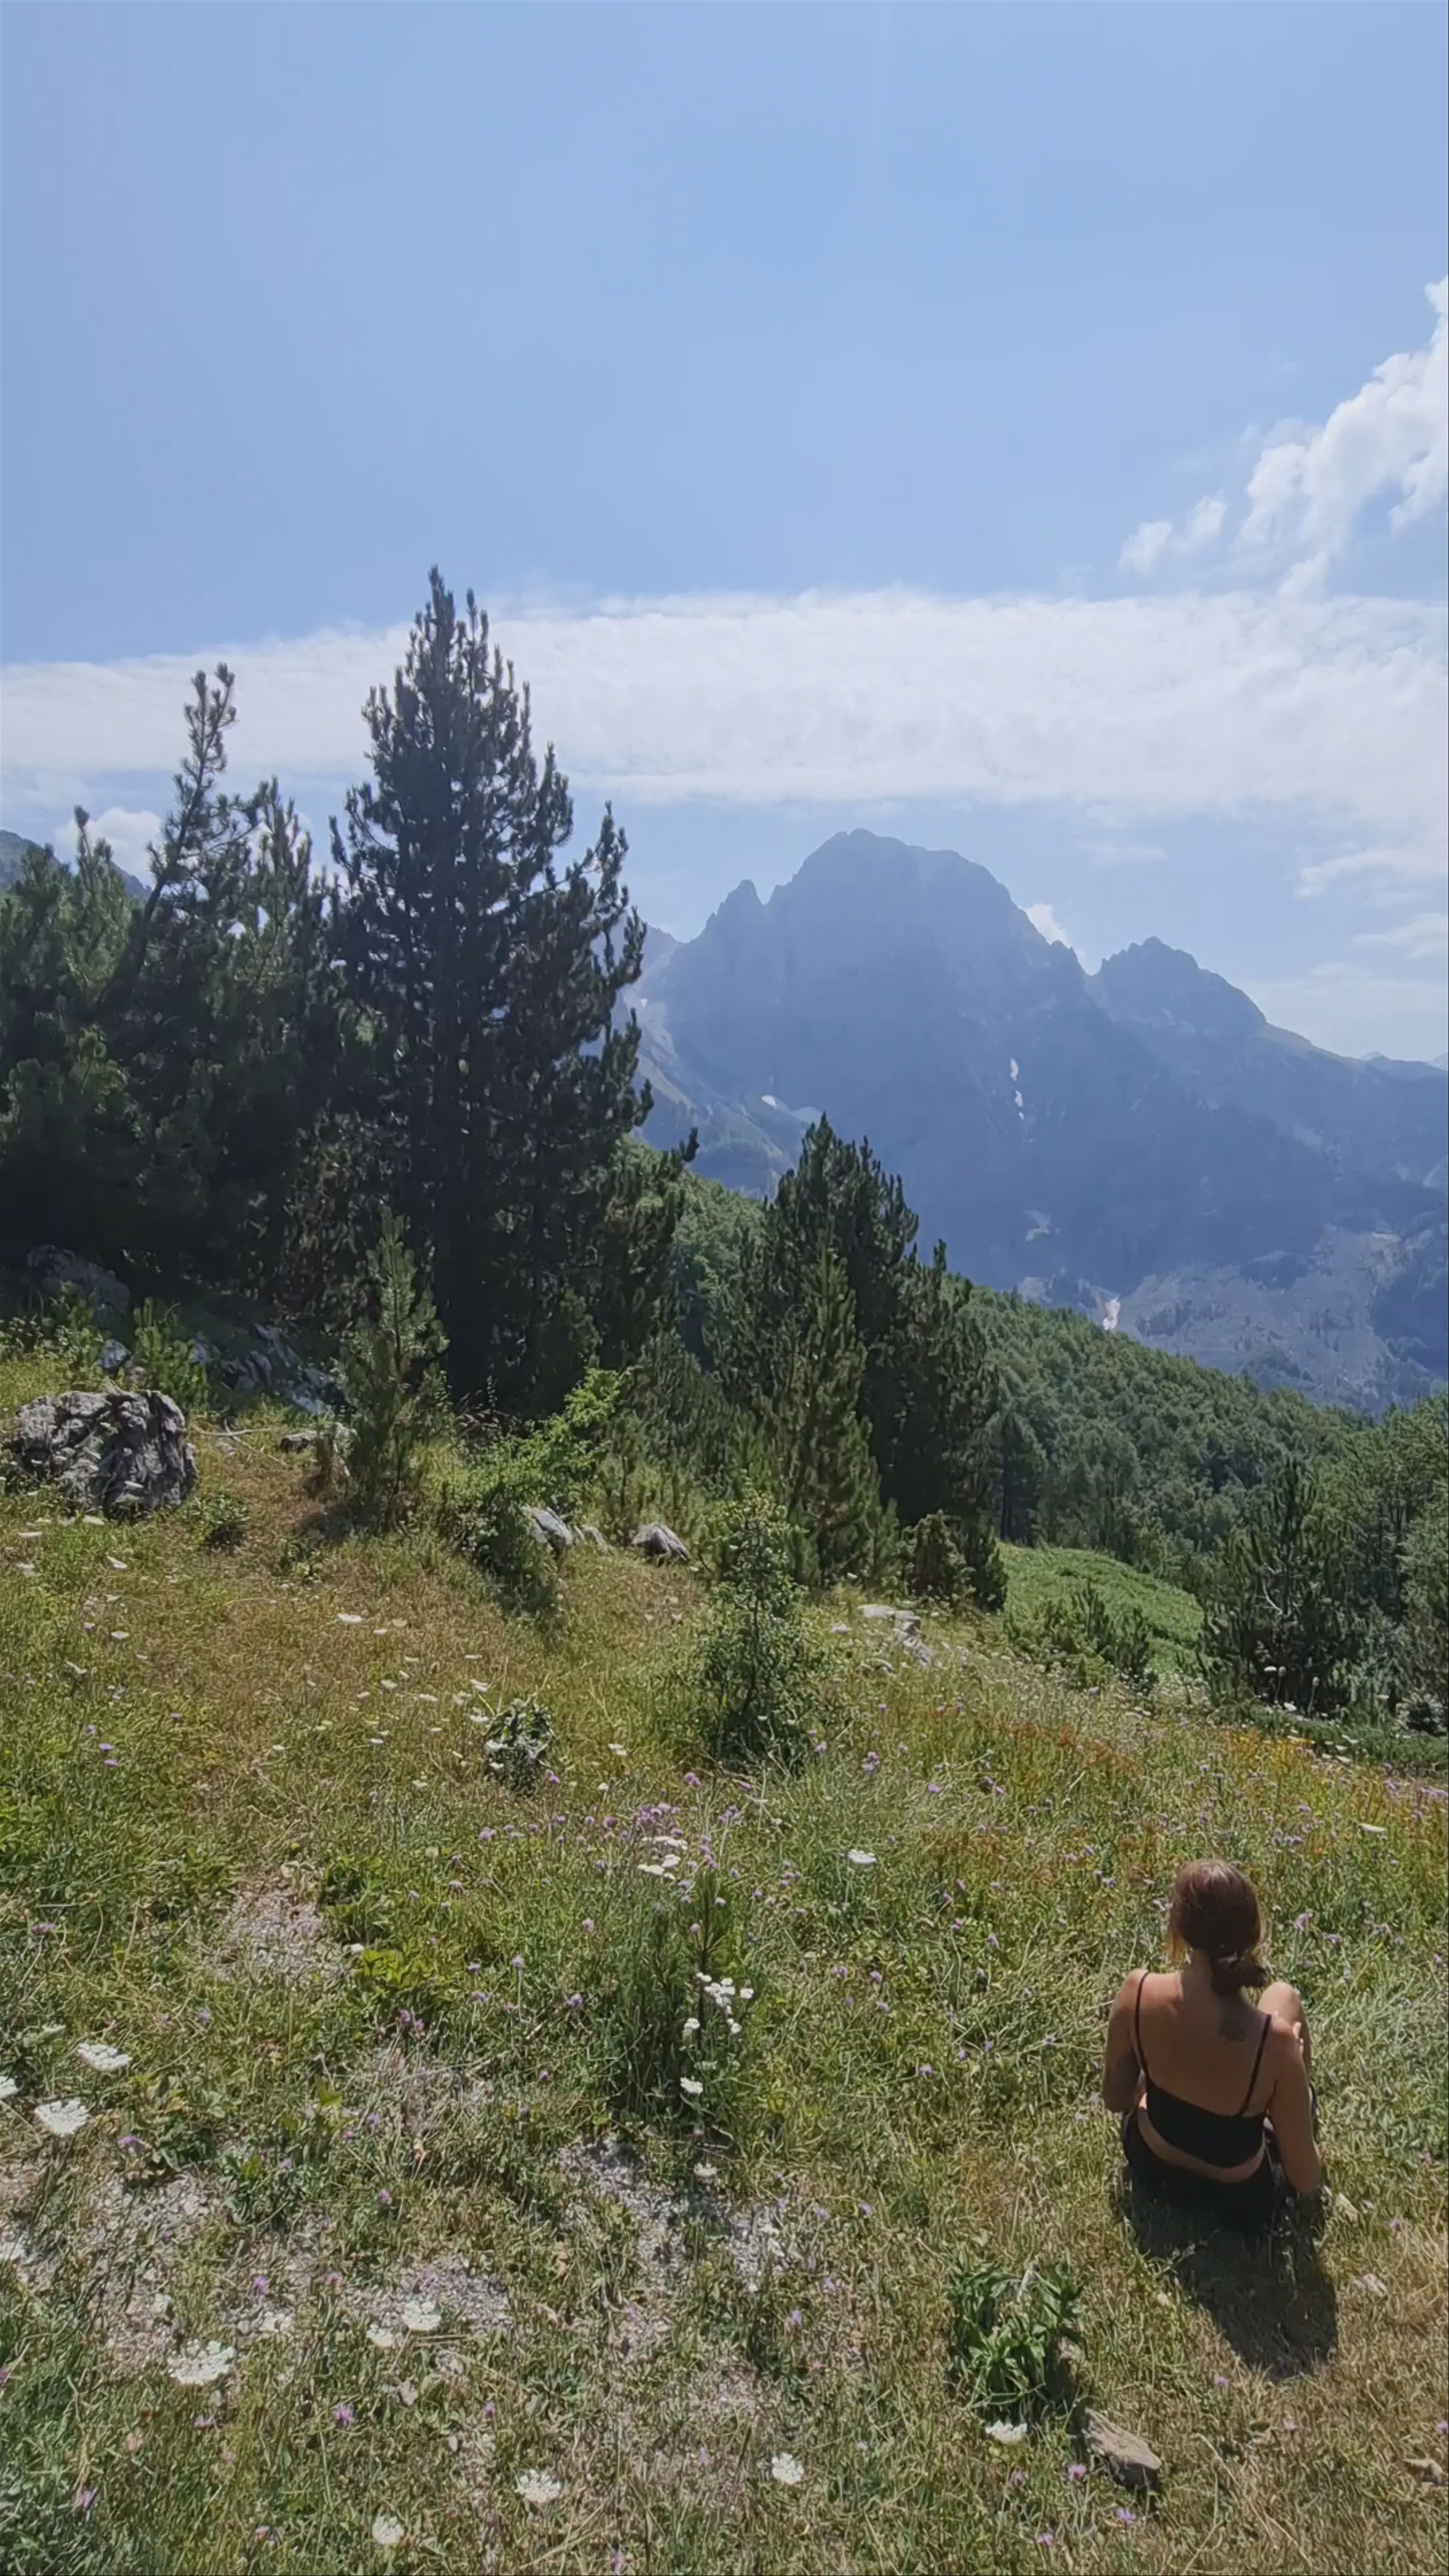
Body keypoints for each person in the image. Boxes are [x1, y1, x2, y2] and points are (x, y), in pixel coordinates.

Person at [1103, 1858, 1321, 2233]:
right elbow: (1305, 2179)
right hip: (1240, 2196)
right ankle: (1294, 2103)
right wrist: (1293, 2075)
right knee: (1284, 1995)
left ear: (1179, 1927)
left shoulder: (1137, 1992)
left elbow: (1114, 2098)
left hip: (1152, 2162)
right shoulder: (1276, 2042)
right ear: (1253, 1936)